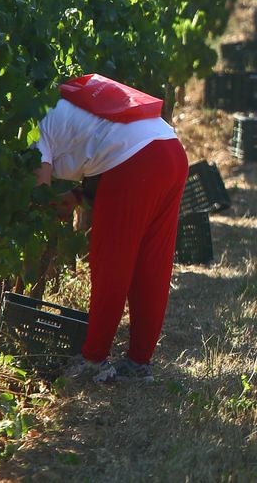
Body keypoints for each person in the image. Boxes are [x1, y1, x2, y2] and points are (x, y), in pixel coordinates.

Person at [34, 74, 189, 383]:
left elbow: (39, 193)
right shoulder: (70, 97)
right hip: (171, 153)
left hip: (136, 164)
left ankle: (94, 359)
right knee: (152, 265)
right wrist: (77, 197)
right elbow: (108, 140)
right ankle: (139, 363)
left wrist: (41, 210)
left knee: (111, 264)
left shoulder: (33, 125)